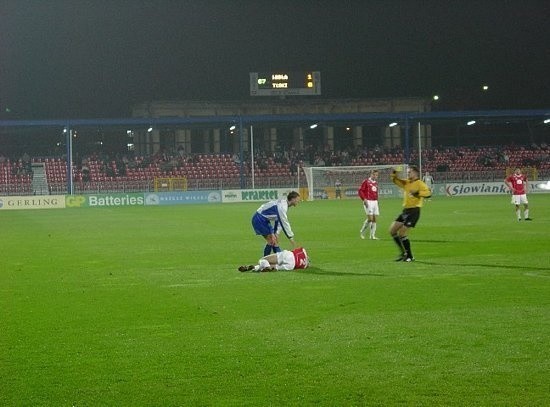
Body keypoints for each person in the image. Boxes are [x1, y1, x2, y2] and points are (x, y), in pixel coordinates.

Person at [389, 165, 432, 262]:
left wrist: (418, 193)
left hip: (414, 211)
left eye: (410, 172)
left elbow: (428, 193)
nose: (408, 173)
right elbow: (395, 181)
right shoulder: (406, 182)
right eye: (407, 172)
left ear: (415, 173)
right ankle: (403, 253)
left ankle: (410, 256)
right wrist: (394, 173)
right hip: (405, 211)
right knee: (392, 231)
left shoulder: (420, 183)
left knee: (402, 233)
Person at [251, 191, 300, 256]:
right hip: (260, 219)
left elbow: (279, 220)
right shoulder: (283, 207)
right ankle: (266, 261)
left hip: (263, 219)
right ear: (293, 199)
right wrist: (290, 237)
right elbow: (284, 222)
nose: (299, 201)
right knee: (271, 241)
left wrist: (276, 233)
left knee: (274, 241)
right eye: (297, 199)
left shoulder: (284, 204)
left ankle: (275, 261)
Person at [238, 247, 310, 272]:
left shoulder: (303, 250)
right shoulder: (304, 265)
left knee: (262, 259)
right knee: (275, 267)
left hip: (288, 256)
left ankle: (265, 266)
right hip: (291, 266)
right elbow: (307, 264)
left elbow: (296, 249)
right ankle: (255, 268)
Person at [358, 169, 380, 240]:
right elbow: (361, 190)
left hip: (375, 202)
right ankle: (362, 232)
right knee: (370, 219)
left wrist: (377, 200)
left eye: (376, 175)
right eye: (374, 174)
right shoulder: (366, 181)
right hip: (368, 201)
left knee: (374, 219)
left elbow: (375, 193)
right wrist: (364, 199)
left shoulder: (375, 183)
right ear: (371, 174)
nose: (375, 176)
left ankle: (372, 236)